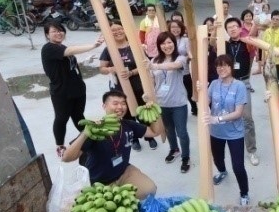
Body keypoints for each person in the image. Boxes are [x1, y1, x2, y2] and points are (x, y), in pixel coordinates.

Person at [62, 90, 157, 200]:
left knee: (149, 190)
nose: (120, 107)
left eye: (123, 103)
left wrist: (155, 112)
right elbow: (66, 158)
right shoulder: (96, 129)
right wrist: (85, 133)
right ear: (104, 106)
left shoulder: (128, 125)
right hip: (100, 182)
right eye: (115, 103)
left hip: (123, 172)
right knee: (113, 210)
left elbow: (155, 132)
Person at [41, 22, 104, 157]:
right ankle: (60, 145)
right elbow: (69, 52)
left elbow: (69, 65)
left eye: (61, 31)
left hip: (78, 89)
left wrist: (84, 62)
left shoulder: (61, 46)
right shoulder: (48, 48)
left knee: (78, 116)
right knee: (61, 118)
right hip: (62, 92)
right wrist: (94, 45)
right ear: (47, 35)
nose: (59, 33)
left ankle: (88, 138)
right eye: (54, 31)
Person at [99, 20, 157, 151]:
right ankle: (134, 139)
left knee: (142, 112)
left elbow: (144, 64)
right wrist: (112, 69)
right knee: (126, 115)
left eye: (119, 29)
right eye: (114, 30)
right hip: (119, 90)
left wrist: (131, 72)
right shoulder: (109, 49)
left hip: (137, 85)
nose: (117, 32)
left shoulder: (135, 46)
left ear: (124, 29)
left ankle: (149, 137)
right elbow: (102, 68)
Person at [204, 55, 251, 205]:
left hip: (234, 133)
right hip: (216, 132)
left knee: (238, 166)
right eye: (218, 66)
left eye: (224, 65)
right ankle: (222, 172)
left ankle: (244, 193)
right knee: (217, 158)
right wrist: (200, 91)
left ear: (231, 67)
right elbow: (206, 102)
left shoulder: (239, 86)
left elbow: (239, 113)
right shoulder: (213, 84)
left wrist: (217, 119)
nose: (221, 68)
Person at [149, 31, 191, 172]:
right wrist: (148, 96)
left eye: (169, 42)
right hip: (162, 103)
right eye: (163, 43)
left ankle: (186, 157)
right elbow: (151, 81)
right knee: (169, 130)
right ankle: (174, 149)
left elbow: (174, 66)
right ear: (159, 45)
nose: (167, 46)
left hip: (178, 103)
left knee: (182, 132)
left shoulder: (180, 58)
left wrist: (155, 67)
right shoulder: (154, 60)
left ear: (174, 43)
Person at [224, 17, 259, 165]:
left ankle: (251, 151)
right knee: (228, 116)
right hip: (227, 83)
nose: (232, 29)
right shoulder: (224, 45)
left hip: (243, 82)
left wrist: (256, 23)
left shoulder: (247, 43)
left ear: (240, 28)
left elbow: (254, 34)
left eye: (235, 26)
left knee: (247, 118)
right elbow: (212, 44)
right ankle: (232, 147)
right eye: (229, 27)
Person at [168, 19, 196, 116]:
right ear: (169, 28)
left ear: (181, 28)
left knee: (189, 90)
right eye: (173, 27)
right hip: (170, 70)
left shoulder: (185, 40)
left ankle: (194, 108)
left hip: (184, 70)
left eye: (178, 27)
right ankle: (174, 110)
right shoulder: (167, 40)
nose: (175, 29)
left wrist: (186, 58)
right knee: (173, 91)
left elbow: (189, 53)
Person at [261, 10, 279, 77]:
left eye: (277, 19)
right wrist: (263, 60)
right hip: (267, 61)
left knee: (276, 83)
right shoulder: (267, 31)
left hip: (277, 62)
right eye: (273, 19)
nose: (274, 21)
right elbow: (263, 47)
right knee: (268, 82)